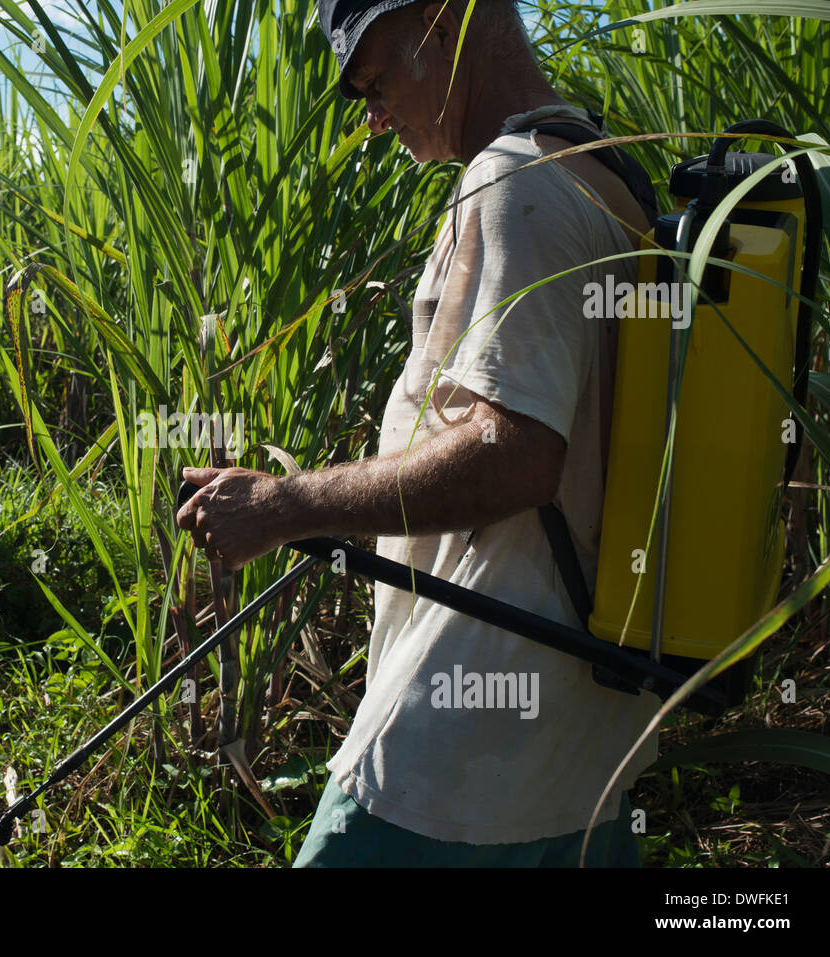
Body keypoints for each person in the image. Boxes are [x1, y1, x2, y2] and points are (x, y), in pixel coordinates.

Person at [176, 0, 661, 866]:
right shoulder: (604, 170)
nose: (373, 115)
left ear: (441, 25)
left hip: (462, 735)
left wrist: (284, 504)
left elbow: (516, 455)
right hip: (586, 727)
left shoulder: (517, 184)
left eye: (375, 79)